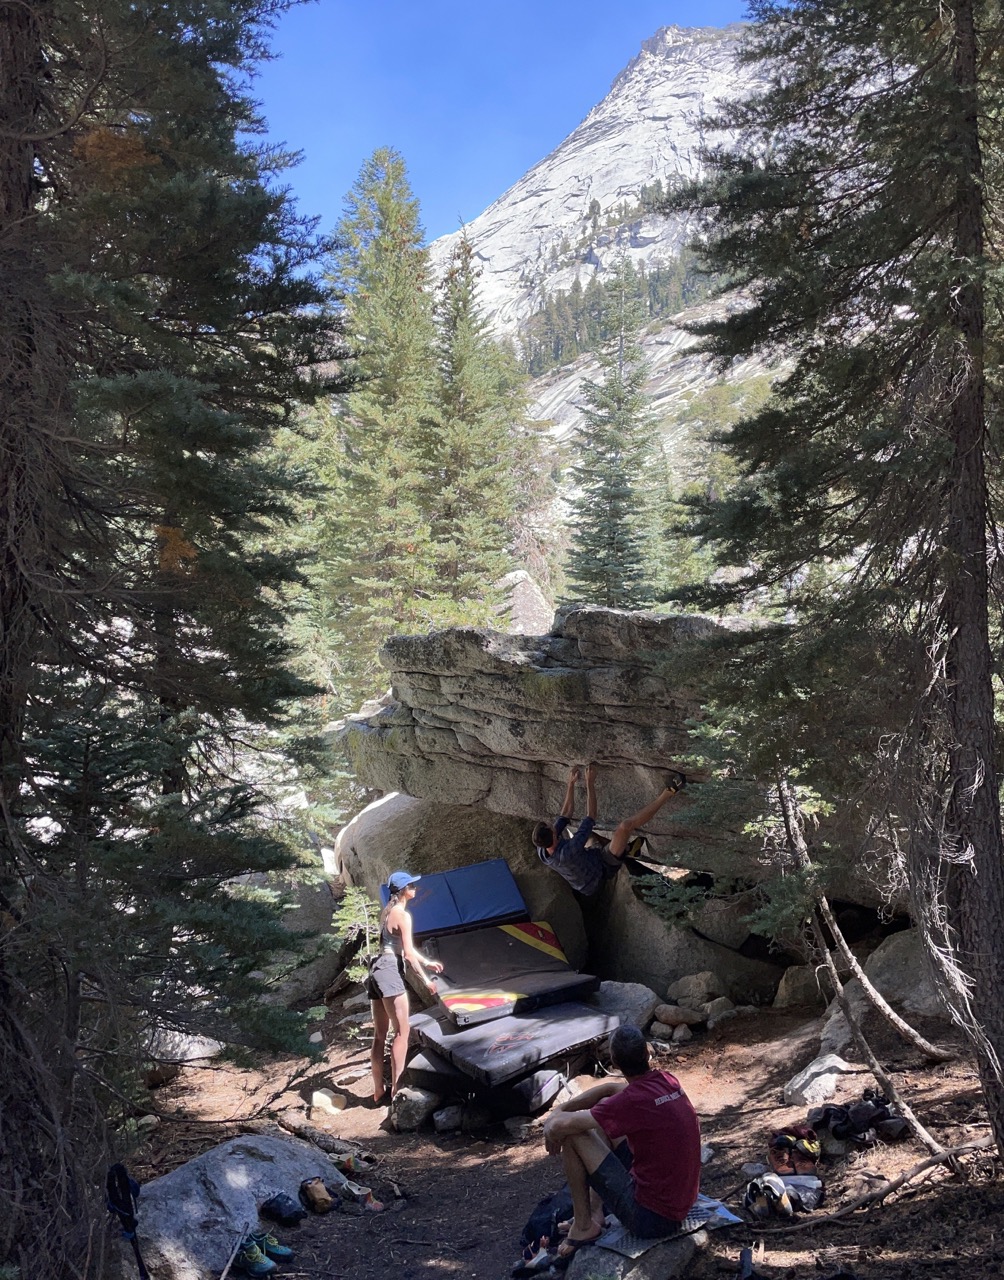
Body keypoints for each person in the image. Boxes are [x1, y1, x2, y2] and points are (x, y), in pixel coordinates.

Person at [541, 1025, 701, 1259]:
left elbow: (559, 1127)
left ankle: (584, 1226)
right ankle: (595, 1214)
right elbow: (608, 1089)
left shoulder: (631, 1101)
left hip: (652, 1219)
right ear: (647, 1053)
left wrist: (552, 1123)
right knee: (605, 1123)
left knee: (574, 1134)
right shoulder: (666, 1080)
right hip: (679, 1205)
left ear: (614, 1062)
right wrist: (562, 1109)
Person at [532, 764, 686, 896]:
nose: (554, 825)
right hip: (600, 872)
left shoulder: (543, 848)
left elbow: (565, 814)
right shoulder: (569, 851)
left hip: (587, 863)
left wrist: (570, 784)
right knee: (624, 827)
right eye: (552, 827)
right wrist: (590, 782)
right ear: (553, 835)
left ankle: (626, 850)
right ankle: (669, 792)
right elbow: (591, 816)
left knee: (591, 837)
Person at [366, 870, 444, 1105]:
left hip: (376, 969)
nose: (415, 889)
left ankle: (378, 1089)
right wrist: (426, 980)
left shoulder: (387, 910)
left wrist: (427, 961)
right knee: (402, 1032)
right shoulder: (403, 914)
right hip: (390, 971)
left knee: (380, 1035)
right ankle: (397, 1090)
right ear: (403, 891)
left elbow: (397, 947)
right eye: (412, 885)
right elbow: (408, 954)